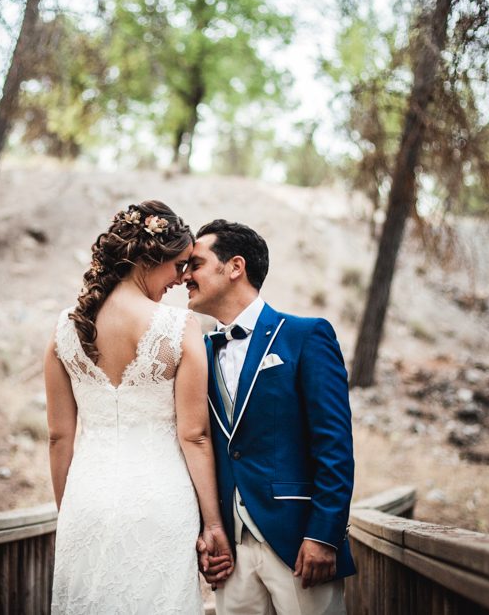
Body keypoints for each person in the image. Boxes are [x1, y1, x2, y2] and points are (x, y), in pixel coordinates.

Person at [45, 201, 234, 614]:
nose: (181, 279)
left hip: (85, 499)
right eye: (180, 265)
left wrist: (71, 510)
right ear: (150, 258)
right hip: (161, 502)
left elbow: (59, 437)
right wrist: (214, 525)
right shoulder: (178, 327)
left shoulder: (65, 329)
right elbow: (194, 435)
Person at [186, 219, 355, 615]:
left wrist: (324, 534)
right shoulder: (197, 351)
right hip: (231, 551)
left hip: (298, 540)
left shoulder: (305, 335)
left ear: (234, 267)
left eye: (195, 263)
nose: (185, 276)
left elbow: (334, 444)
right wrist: (208, 531)